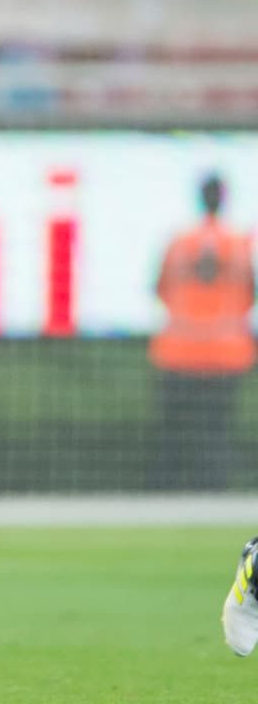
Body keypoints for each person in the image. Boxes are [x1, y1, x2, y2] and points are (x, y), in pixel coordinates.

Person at [147, 172, 255, 490]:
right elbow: (250, 295)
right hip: (227, 354)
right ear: (223, 199)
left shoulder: (179, 242)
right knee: (217, 431)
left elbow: (160, 288)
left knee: (173, 431)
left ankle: (166, 493)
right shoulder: (238, 244)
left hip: (178, 352)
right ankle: (212, 494)